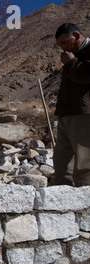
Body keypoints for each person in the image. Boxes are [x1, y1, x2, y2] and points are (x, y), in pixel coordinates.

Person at [53, 23, 90, 187]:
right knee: (61, 161)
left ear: (76, 35)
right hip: (66, 114)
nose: (63, 48)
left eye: (65, 42)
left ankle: (86, 204)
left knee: (84, 162)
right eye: (60, 45)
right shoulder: (72, 56)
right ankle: (61, 204)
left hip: (84, 114)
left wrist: (71, 63)